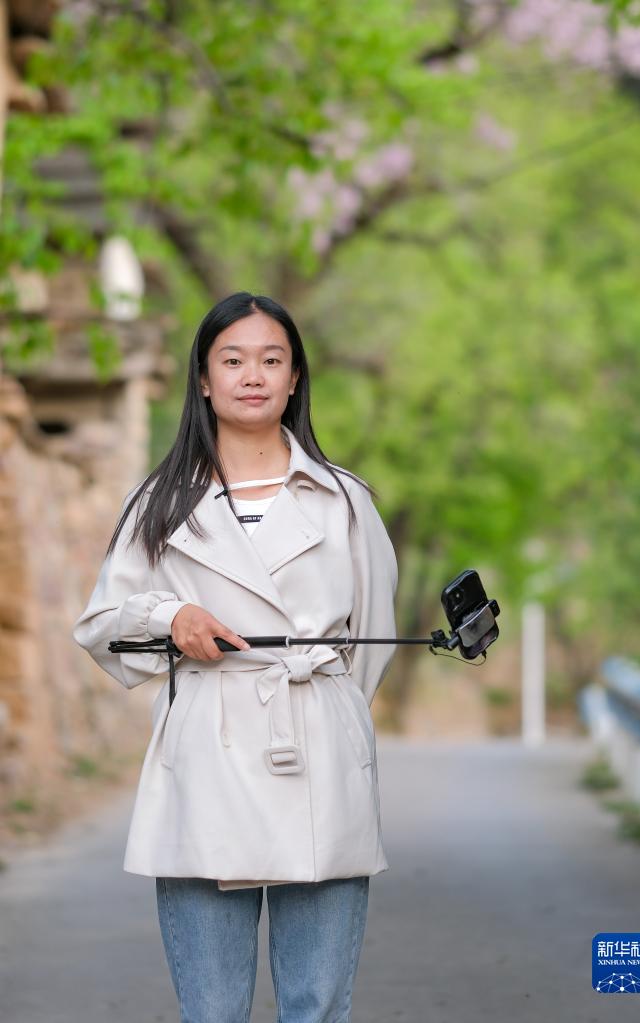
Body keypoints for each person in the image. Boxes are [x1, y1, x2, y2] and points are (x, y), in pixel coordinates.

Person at [72, 291, 399, 1023]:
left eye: (271, 360)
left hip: (316, 750)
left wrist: (329, 719)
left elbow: (369, 646)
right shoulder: (159, 502)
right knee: (212, 1010)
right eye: (233, 360)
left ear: (294, 377)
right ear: (203, 378)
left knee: (317, 1006)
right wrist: (171, 616)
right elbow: (100, 626)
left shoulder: (345, 501)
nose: (253, 375)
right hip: (206, 763)